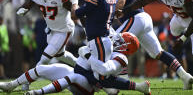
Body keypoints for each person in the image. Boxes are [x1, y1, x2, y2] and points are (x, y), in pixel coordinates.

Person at [103, 0, 193, 90]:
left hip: (135, 18)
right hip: (142, 18)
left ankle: (118, 82)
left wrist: (105, 6)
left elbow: (120, 2)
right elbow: (143, 0)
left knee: (112, 45)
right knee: (158, 53)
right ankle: (185, 76)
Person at [0, 32, 150, 95]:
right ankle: (11, 85)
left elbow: (102, 72)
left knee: (73, 78)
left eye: (121, 41)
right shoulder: (107, 44)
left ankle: (37, 93)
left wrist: (88, 55)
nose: (116, 40)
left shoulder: (120, 58)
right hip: (78, 72)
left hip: (88, 85)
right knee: (42, 68)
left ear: (127, 47)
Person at [16, 0, 78, 66]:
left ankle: (25, 80)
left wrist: (75, 9)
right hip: (51, 29)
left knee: (44, 59)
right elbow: (31, 0)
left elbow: (73, 2)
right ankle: (81, 66)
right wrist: (25, 8)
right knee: (60, 55)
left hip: (64, 30)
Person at [71, 0, 118, 81]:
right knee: (79, 71)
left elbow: (74, 15)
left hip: (99, 41)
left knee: (101, 78)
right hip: (101, 39)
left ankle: (135, 86)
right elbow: (97, 7)